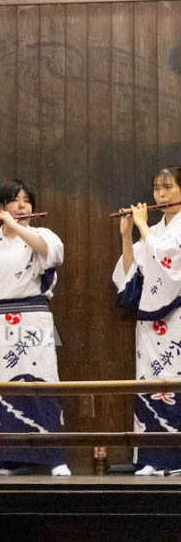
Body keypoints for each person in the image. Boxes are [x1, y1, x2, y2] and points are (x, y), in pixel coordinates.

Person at [0, 179, 71, 476]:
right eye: (14, 200)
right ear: (0, 206)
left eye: (26, 200)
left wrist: (16, 226)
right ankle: (11, 458)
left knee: (39, 382)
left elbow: (53, 252)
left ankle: (55, 458)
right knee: (1, 387)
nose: (22, 205)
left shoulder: (40, 233)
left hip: (32, 320)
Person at [112, 166, 181, 475]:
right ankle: (153, 458)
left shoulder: (168, 232)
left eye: (168, 187)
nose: (161, 194)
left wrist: (142, 227)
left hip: (177, 318)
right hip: (150, 329)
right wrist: (128, 235)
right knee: (151, 384)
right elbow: (131, 275)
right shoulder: (154, 231)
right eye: (156, 188)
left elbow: (169, 260)